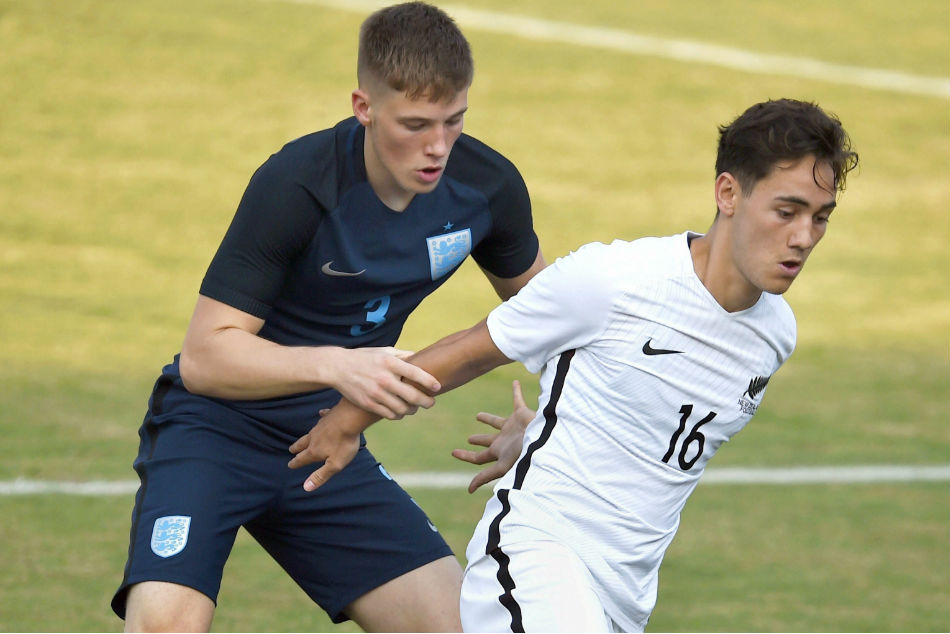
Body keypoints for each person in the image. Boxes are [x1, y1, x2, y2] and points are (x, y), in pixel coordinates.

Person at [288, 98, 859, 632]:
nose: (803, 237)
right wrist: (347, 421)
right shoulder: (615, 281)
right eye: (787, 211)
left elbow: (649, 431)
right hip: (537, 556)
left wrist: (542, 436)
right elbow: (469, 351)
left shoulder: (774, 337)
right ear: (728, 193)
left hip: (625, 595)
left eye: (820, 218)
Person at [111, 2, 546, 631]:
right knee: (163, 626)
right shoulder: (298, 184)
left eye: (454, 121)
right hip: (212, 434)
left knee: (463, 627)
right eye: (415, 124)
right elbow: (206, 357)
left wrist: (546, 425)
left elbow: (555, 319)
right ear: (364, 107)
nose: (438, 147)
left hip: (324, 446)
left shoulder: (488, 188)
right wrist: (338, 367)